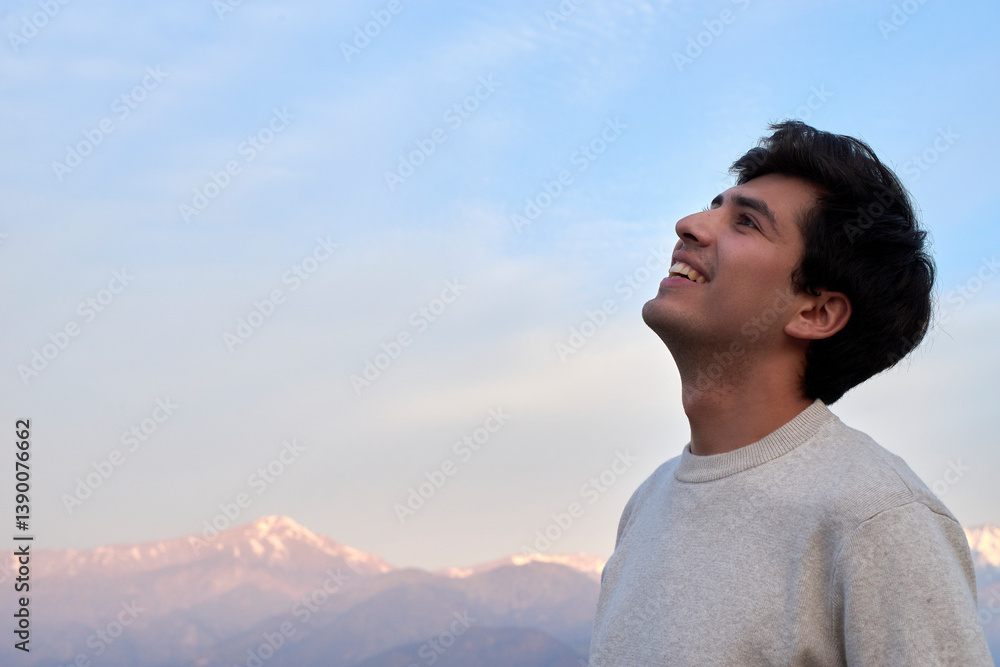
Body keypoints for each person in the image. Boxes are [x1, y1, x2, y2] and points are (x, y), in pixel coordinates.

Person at [588, 120, 992, 666]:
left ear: (816, 312)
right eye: (714, 206)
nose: (688, 225)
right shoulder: (648, 504)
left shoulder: (880, 518)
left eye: (746, 222)